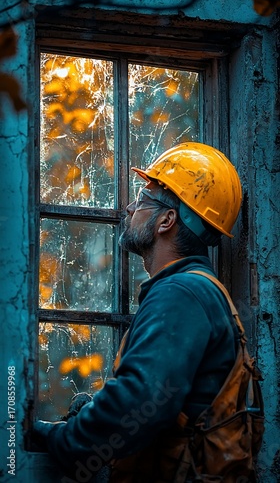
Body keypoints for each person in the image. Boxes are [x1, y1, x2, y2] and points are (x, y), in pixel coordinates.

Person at [32, 142, 243, 482]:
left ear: (167, 220)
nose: (130, 207)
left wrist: (66, 440)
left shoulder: (182, 294)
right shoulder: (195, 291)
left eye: (144, 199)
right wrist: (93, 413)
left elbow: (141, 401)